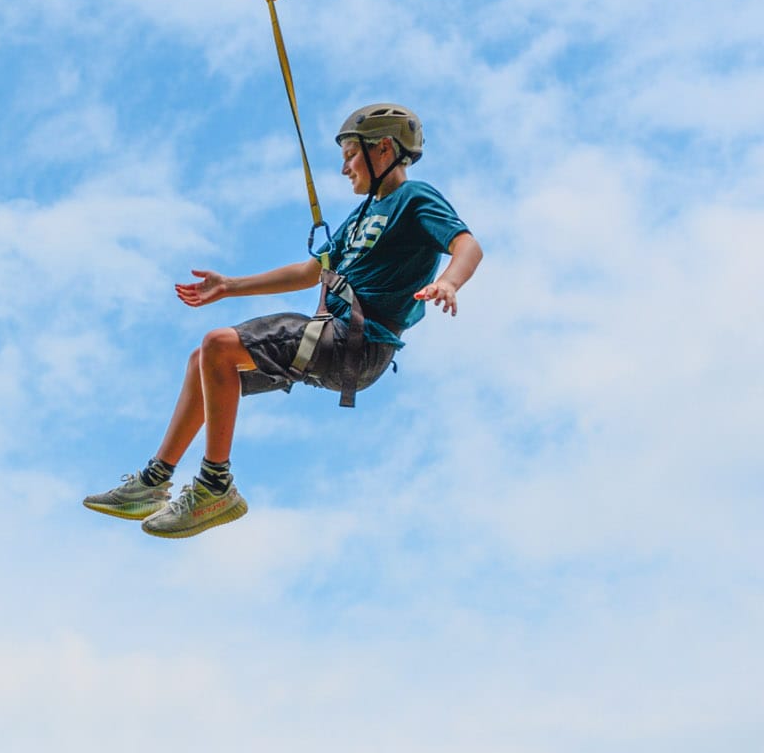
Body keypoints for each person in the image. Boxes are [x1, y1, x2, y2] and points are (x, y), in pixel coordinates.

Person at [83, 103, 482, 538]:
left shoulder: (413, 198)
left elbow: (467, 245)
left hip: (357, 342)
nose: (345, 167)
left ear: (383, 149)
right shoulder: (358, 219)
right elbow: (309, 272)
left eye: (351, 155)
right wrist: (230, 285)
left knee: (218, 346)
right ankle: (155, 481)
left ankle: (215, 486)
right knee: (205, 359)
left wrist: (449, 282)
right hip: (336, 341)